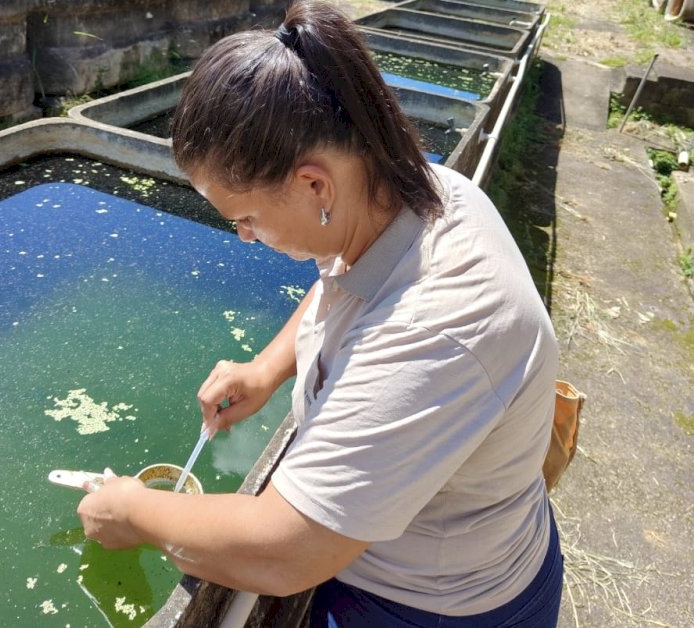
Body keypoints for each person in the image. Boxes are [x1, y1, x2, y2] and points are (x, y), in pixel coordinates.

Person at [76, 1, 563, 625]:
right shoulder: (415, 197)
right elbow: (344, 281)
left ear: (315, 187)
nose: (246, 237)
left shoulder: (436, 327)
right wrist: (268, 368)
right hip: (407, 550)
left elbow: (287, 550)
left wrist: (133, 513)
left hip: (434, 602)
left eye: (246, 218)